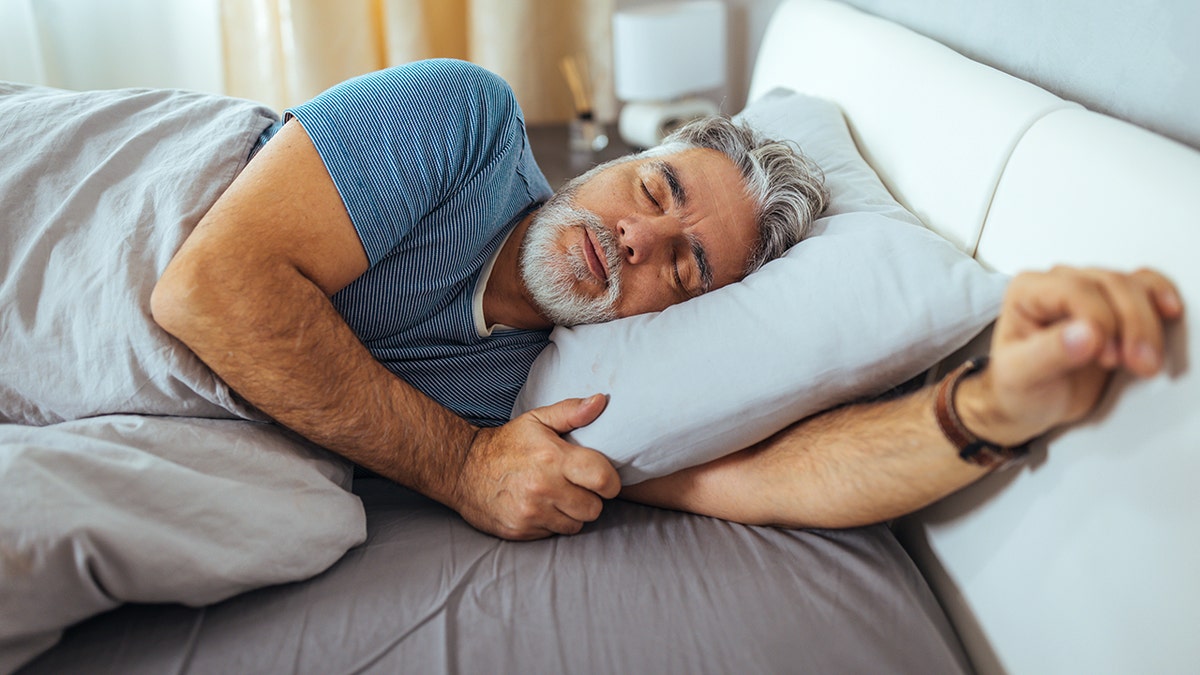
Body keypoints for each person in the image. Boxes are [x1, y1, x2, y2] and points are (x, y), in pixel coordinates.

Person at [152, 58, 1184, 540]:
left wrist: (988, 408)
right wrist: (459, 467)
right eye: (658, 190)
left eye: (685, 271)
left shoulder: (545, 400)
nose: (640, 240)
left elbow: (781, 481)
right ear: (625, 161)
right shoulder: (464, 121)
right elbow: (205, 286)